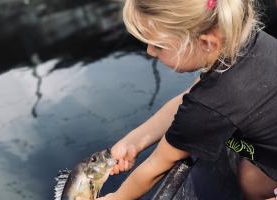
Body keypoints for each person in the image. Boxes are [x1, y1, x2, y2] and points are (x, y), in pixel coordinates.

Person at [79, 0, 277, 199]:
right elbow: (186, 99)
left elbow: (157, 165)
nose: (150, 52)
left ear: (207, 43)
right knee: (252, 178)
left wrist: (116, 197)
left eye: (158, 45)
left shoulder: (210, 105)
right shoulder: (247, 41)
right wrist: (135, 141)